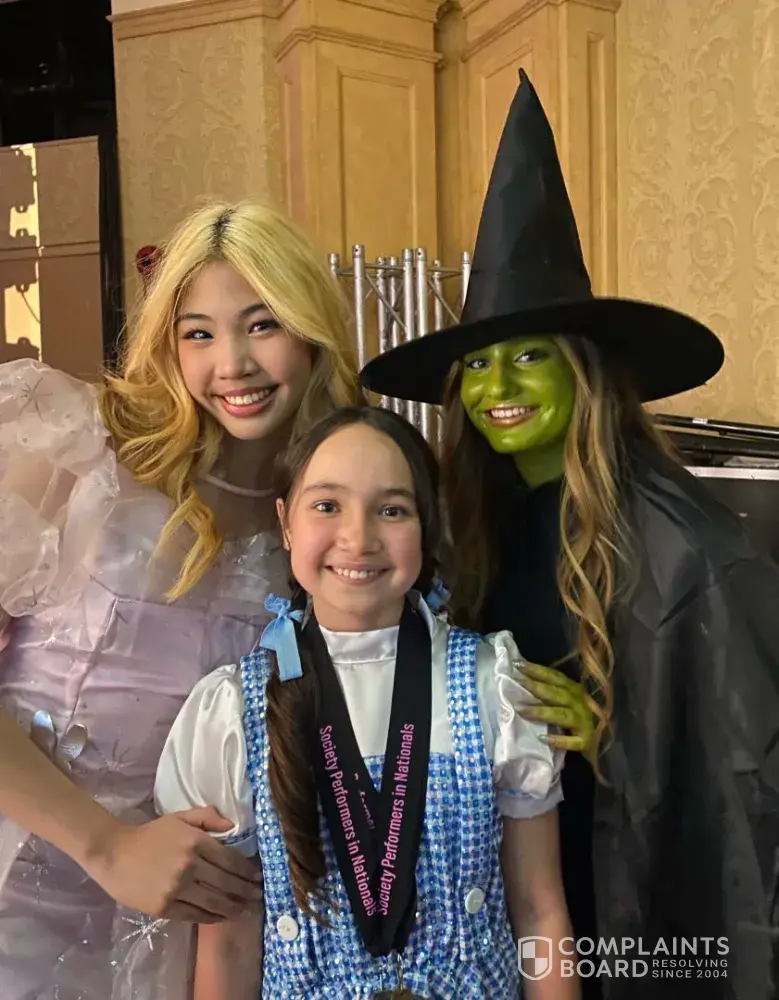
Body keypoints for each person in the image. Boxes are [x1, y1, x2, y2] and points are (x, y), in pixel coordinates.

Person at [360, 70, 779, 999]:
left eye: (528, 356)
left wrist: (612, 737)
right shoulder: (472, 520)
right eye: (477, 366)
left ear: (584, 372)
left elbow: (751, 773)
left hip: (628, 897)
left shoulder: (688, 547)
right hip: (514, 881)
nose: (497, 387)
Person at [0, 200, 363, 999]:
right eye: (199, 333)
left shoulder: (328, 517)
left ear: (312, 332)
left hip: (183, 931)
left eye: (262, 325)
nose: (233, 363)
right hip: (16, 899)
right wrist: (107, 847)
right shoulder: (72, 447)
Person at [154, 404, 578, 999]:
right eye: (327, 506)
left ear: (426, 527)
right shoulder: (233, 712)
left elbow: (540, 912)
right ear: (285, 524)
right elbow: (227, 945)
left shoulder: (492, 686)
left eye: (392, 510)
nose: (358, 538)